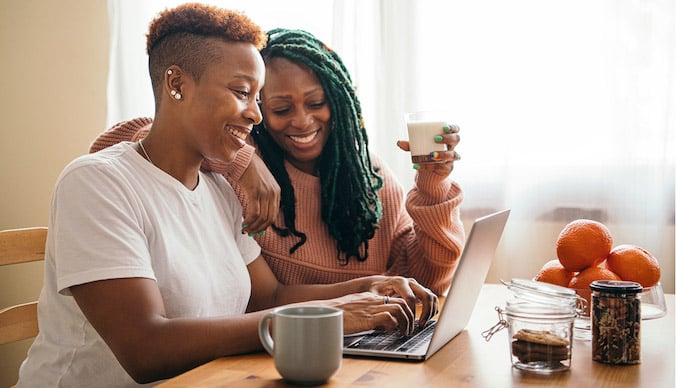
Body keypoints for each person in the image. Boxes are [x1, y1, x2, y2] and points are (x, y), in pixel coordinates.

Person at [17, 4, 438, 387]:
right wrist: (329, 317)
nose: (256, 114)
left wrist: (370, 287)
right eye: (241, 93)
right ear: (177, 83)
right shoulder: (97, 184)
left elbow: (269, 297)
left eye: (257, 98)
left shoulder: (219, 190)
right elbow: (145, 348)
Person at [90, 29, 465, 296]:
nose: (302, 122)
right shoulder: (233, 163)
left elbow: (426, 283)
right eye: (281, 109)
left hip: (356, 347)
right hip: (269, 347)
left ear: (340, 104)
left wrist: (433, 185)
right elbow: (118, 144)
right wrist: (243, 160)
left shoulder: (371, 181)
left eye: (316, 103)